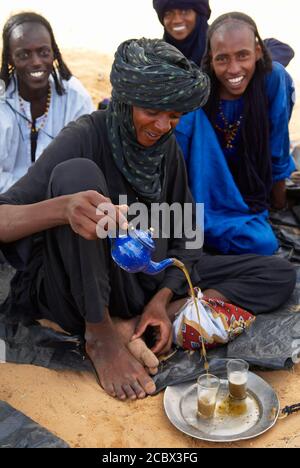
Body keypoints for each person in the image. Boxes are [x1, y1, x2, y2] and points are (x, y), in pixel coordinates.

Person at [0, 38, 296, 401]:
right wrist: (63, 208)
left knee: (277, 273)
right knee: (76, 176)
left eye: (173, 115)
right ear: (125, 100)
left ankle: (143, 322)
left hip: (143, 280)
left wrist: (162, 298)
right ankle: (102, 335)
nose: (163, 125)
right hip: (84, 287)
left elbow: (188, 234)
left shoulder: (165, 149)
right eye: (152, 111)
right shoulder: (84, 136)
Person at [175, 12, 296, 255]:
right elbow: (179, 161)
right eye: (222, 59)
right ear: (210, 59)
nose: (233, 69)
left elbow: (277, 147)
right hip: (204, 189)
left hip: (248, 190)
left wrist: (277, 205)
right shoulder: (199, 91)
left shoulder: (273, 79)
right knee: (189, 116)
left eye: (243, 56)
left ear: (258, 52)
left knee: (263, 243)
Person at [0, 12, 94, 193]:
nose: (36, 62)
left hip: (61, 202)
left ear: (54, 53)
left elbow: (84, 164)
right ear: (10, 58)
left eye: (44, 52)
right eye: (24, 55)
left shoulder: (74, 98)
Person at [152, 0, 295, 68]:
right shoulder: (157, 55)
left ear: (199, 14)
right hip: (178, 122)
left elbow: (283, 49)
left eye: (184, 12)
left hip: (227, 118)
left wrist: (250, 67)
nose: (176, 20)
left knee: (276, 73)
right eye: (168, 14)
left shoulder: (220, 40)